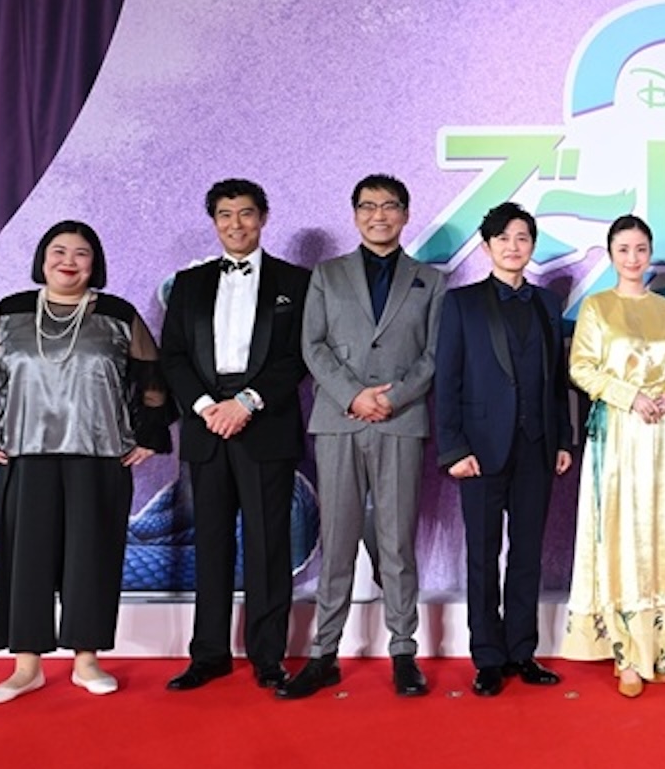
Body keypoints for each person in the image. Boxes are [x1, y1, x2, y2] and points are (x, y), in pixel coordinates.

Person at [0, 221, 173, 704]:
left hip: (99, 456)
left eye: (81, 253)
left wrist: (148, 434)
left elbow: (153, 376)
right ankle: (27, 668)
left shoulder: (118, 315)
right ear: (42, 259)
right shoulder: (11, 312)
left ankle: (87, 661)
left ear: (94, 263)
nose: (69, 261)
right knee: (26, 560)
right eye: (58, 251)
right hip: (26, 455)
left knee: (93, 558)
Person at [281, 174, 447, 699]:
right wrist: (353, 395)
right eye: (369, 206)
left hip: (400, 419)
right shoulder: (327, 275)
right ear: (355, 215)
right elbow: (313, 345)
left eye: (390, 206)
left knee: (396, 542)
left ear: (406, 214)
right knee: (337, 542)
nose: (380, 215)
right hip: (339, 419)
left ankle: (403, 651)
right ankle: (323, 654)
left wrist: (394, 397)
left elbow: (434, 355)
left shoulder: (430, 280)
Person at [159, 179, 310, 693]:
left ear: (263, 218)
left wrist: (246, 402)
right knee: (210, 542)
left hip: (264, 421)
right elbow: (173, 355)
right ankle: (209, 654)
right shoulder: (189, 283)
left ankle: (268, 657)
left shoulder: (296, 281)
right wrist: (207, 408)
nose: (236, 224)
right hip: (206, 424)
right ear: (214, 222)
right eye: (225, 215)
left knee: (269, 545)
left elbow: (298, 356)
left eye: (246, 213)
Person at [562, 214, 665, 698]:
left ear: (650, 254)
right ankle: (626, 653)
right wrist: (630, 397)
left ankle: (661, 647)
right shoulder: (597, 306)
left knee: (662, 532)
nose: (633, 258)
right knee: (622, 532)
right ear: (610, 255)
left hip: (664, 434)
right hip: (620, 430)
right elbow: (581, 368)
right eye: (623, 249)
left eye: (641, 249)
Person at [435, 202, 573, 697]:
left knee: (528, 555)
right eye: (503, 238)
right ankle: (488, 657)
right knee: (483, 555)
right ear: (487, 245)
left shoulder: (547, 304)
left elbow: (556, 380)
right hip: (479, 451)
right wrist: (453, 449)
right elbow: (446, 380)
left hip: (537, 447)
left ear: (532, 245)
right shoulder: (461, 303)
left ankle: (522, 651)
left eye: (522, 238)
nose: (513, 247)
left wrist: (562, 438)